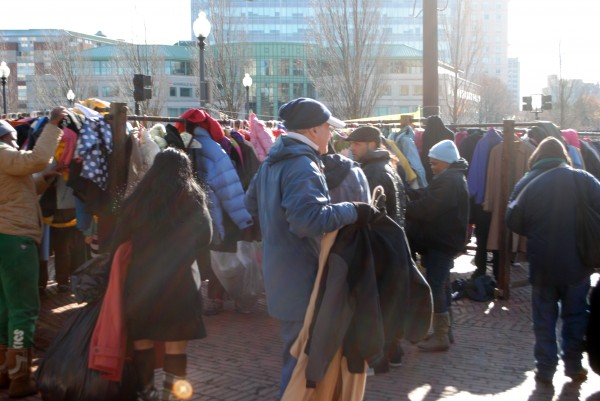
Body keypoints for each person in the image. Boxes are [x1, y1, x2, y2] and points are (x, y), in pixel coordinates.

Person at [245, 97, 378, 398]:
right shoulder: (302, 164)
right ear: (314, 130)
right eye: (329, 129)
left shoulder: (273, 161)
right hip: (302, 278)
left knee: (297, 356)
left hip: (281, 274)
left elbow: (250, 202)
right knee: (301, 363)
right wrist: (354, 210)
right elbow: (307, 221)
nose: (331, 136)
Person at [111, 148, 213, 400]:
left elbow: (118, 240)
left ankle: (146, 391)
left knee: (142, 339)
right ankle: (172, 394)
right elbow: (206, 237)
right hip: (180, 282)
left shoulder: (138, 198)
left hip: (141, 281)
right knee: (176, 344)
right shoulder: (192, 197)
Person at [506, 136, 597, 385]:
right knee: (576, 314)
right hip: (579, 262)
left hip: (543, 263)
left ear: (537, 157)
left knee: (544, 319)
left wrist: (535, 229)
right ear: (564, 156)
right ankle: (573, 365)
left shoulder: (529, 182)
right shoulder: (585, 179)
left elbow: (512, 218)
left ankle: (545, 369)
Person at [0, 107, 66, 398]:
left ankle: (5, 370)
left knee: (4, 308)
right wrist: (53, 125)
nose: (17, 143)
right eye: (14, 138)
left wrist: (46, 177)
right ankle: (20, 378)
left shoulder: (5, 162)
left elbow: (19, 190)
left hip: (4, 237)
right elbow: (37, 158)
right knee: (24, 309)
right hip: (16, 240)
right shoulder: (2, 153)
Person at [406, 139, 469, 352]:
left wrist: (404, 205)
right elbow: (429, 197)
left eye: (435, 164)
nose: (431, 168)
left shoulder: (449, 180)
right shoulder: (452, 177)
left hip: (441, 241)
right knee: (442, 284)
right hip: (444, 240)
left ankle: (441, 334)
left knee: (435, 285)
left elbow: (428, 207)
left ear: (446, 162)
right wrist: (409, 192)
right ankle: (445, 331)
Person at [346, 125, 406, 227]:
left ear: (372, 145)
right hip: (390, 235)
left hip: (380, 237)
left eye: (357, 144)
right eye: (351, 144)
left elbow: (372, 214)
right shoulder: (384, 164)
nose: (352, 148)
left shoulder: (373, 171)